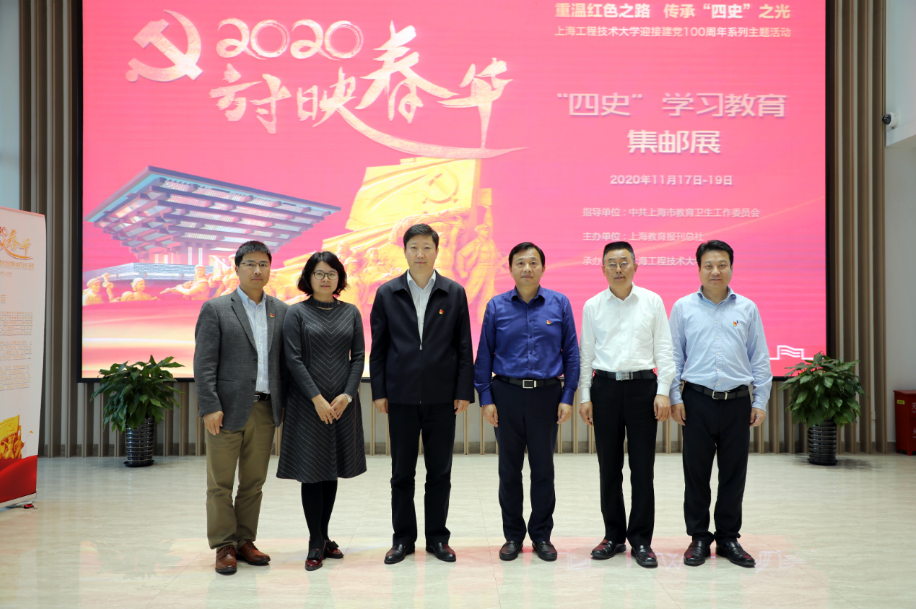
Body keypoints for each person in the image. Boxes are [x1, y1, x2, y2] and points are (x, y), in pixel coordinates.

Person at [370, 223, 474, 565]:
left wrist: (463, 390)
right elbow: (378, 349)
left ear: (436, 251)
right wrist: (379, 391)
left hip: (442, 398)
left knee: (439, 473)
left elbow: (463, 346)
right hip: (400, 397)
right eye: (413, 247)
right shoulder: (387, 293)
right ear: (404, 251)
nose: (420, 253)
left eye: (427, 247)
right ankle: (402, 540)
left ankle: (437, 539)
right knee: (401, 474)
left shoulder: (453, 292)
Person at [668, 240, 772, 568]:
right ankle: (699, 537)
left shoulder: (747, 308)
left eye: (722, 265)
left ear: (731, 268)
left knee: (733, 474)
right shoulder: (683, 307)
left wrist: (761, 401)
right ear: (698, 269)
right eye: (709, 265)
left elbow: (759, 357)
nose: (716, 271)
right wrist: (675, 397)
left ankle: (728, 538)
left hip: (737, 402)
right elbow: (673, 356)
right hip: (696, 401)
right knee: (696, 473)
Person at [474, 242, 579, 562]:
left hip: (546, 396)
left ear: (543, 268)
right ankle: (513, 536)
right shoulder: (496, 306)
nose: (527, 268)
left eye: (533, 262)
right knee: (509, 471)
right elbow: (484, 355)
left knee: (543, 469)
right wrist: (486, 398)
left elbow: (572, 354)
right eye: (520, 263)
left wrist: (567, 396)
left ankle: (542, 536)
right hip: (506, 394)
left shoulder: (559, 303)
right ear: (510, 269)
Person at [193, 241, 289, 575]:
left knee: (253, 482)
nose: (257, 270)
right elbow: (204, 362)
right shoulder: (216, 308)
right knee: (220, 483)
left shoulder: (282, 310)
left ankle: (245, 541)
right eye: (250, 264)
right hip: (225, 410)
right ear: (237, 268)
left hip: (265, 409)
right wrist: (209, 406)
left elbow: (285, 364)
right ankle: (224, 545)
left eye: (263, 264)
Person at [578, 241, 675, 569]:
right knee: (609, 467)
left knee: (642, 468)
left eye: (624, 262)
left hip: (643, 389)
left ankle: (642, 540)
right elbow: (586, 354)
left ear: (635, 266)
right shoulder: (592, 305)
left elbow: (665, 349)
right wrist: (586, 395)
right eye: (611, 263)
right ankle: (614, 536)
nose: (618, 268)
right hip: (605, 388)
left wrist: (663, 391)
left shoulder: (652, 301)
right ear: (602, 268)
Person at [278, 251, 366, 572]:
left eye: (331, 273)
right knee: (312, 471)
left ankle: (325, 535)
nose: (325, 278)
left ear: (339, 278)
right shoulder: (296, 312)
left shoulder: (351, 312)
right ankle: (315, 541)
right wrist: (316, 398)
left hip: (342, 404)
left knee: (331, 469)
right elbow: (293, 359)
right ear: (309, 278)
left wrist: (347, 395)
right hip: (307, 404)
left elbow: (358, 357)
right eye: (319, 273)